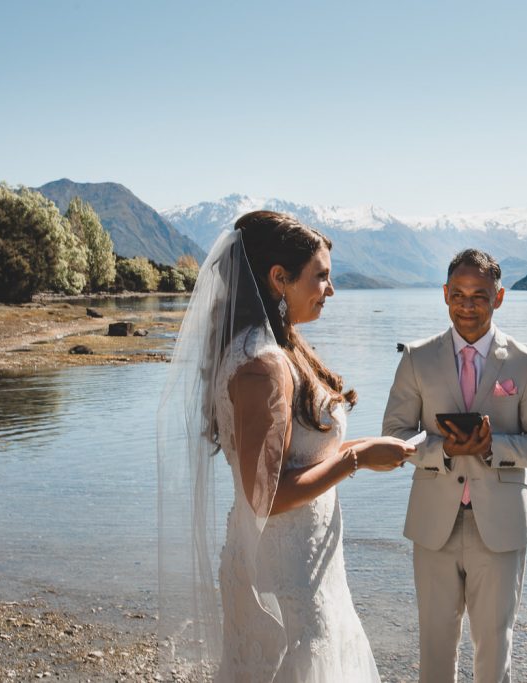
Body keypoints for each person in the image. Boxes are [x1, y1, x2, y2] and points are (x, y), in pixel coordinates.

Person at [157, 210, 414, 682]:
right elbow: (267, 497)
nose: (331, 290)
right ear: (279, 278)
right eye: (321, 277)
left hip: (299, 562)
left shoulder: (275, 346)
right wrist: (355, 459)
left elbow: (297, 453)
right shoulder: (262, 363)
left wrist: (370, 445)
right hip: (282, 577)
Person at [382, 249, 527, 683]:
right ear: (444, 295)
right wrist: (443, 450)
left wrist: (491, 447)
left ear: (498, 298)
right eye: (458, 294)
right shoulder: (416, 358)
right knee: (435, 648)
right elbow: (394, 437)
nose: (467, 305)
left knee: (495, 649)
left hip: (500, 529)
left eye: (479, 296)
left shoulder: (525, 360)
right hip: (433, 525)